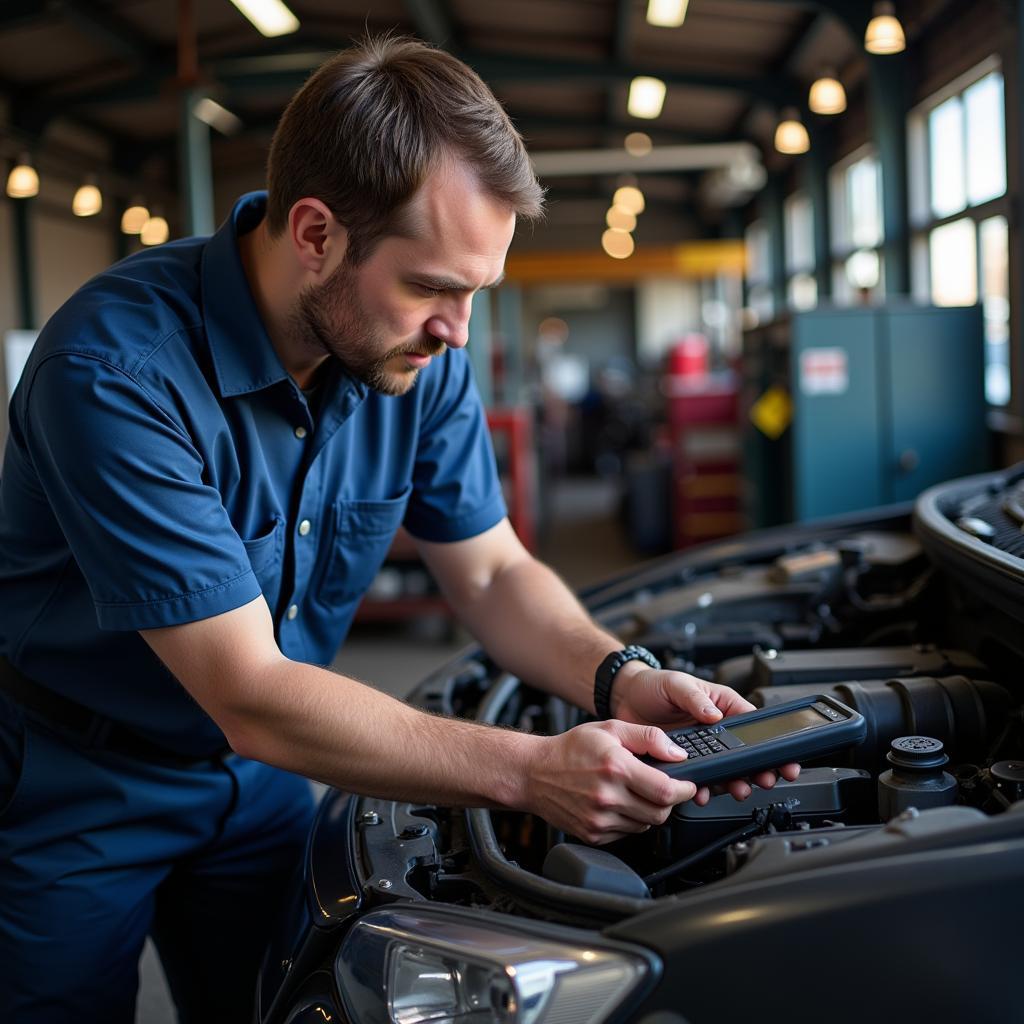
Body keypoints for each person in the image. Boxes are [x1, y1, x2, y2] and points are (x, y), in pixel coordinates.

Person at [0, 36, 798, 1023]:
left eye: (474, 291)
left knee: (279, 1003)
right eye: (431, 287)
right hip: (77, 781)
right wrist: (533, 771)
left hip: (269, 772)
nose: (458, 329)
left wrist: (618, 674)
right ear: (314, 234)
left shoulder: (415, 360)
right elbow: (249, 689)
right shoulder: (116, 372)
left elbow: (494, 571)